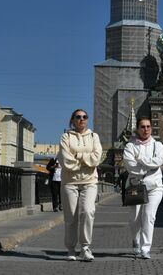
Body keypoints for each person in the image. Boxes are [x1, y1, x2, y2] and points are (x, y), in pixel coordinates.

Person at [57, 109, 102, 262]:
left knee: (88, 212)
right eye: (78, 117)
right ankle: (70, 248)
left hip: (90, 181)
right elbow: (65, 160)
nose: (82, 119)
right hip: (70, 182)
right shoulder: (66, 137)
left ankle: (85, 247)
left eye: (84, 117)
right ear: (73, 120)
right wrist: (85, 161)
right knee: (71, 217)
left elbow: (97, 158)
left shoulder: (94, 136)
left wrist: (78, 156)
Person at [122, 117, 163, 260]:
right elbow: (130, 166)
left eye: (148, 126)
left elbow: (159, 161)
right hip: (136, 185)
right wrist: (149, 165)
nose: (146, 129)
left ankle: (145, 248)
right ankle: (136, 241)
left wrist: (140, 160)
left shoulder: (157, 145)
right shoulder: (130, 146)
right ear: (137, 129)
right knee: (135, 218)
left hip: (155, 187)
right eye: (142, 127)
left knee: (148, 216)